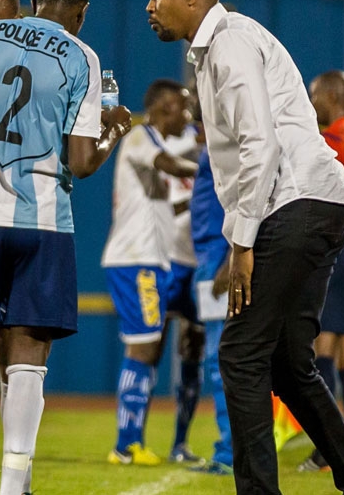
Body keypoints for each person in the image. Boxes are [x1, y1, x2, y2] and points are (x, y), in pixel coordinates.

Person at [146, 0, 344, 494]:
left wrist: (241, 243)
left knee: (239, 352)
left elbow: (260, 144)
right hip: (315, 203)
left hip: (295, 202)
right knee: (287, 365)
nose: (150, 6)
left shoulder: (229, 43)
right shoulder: (217, 49)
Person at [0, 0, 131, 495]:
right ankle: (12, 485)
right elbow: (83, 160)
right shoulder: (82, 57)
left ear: (36, 0)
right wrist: (114, 132)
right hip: (42, 222)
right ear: (81, 13)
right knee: (27, 355)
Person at [101, 78, 198, 466]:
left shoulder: (152, 144)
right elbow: (172, 165)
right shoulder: (140, 137)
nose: (188, 116)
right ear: (161, 109)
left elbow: (168, 203)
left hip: (150, 259)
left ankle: (133, 442)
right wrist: (210, 169)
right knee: (142, 347)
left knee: (148, 346)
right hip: (135, 259)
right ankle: (125, 445)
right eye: (182, 107)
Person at [298, 69, 344, 473]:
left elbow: (314, 184)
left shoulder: (337, 136)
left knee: (321, 347)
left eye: (314, 95)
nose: (312, 103)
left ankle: (328, 447)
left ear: (330, 95)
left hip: (339, 248)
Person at [161, 121, 207, 465]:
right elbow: (168, 208)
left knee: (193, 350)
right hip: (169, 261)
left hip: (201, 264)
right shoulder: (177, 153)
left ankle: (180, 441)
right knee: (149, 348)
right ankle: (130, 440)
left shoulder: (227, 153)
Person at [188, 145, 233, 476]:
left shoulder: (225, 141)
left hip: (220, 258)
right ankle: (232, 449)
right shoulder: (213, 142)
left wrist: (232, 257)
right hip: (211, 256)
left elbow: (247, 197)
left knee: (223, 363)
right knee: (219, 360)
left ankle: (231, 452)